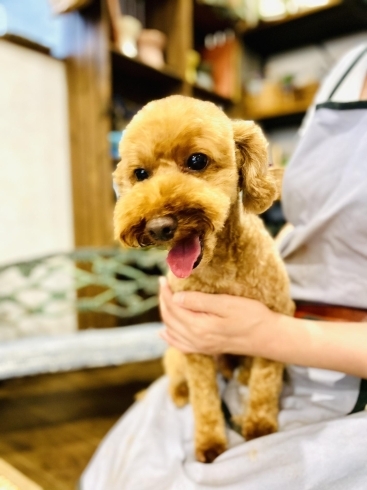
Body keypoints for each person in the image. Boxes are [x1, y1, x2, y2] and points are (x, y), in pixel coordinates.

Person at [81, 43, 367, 490]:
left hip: (336, 369)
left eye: (195, 163)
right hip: (230, 344)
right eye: (141, 176)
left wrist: (268, 333)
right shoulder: (347, 68)